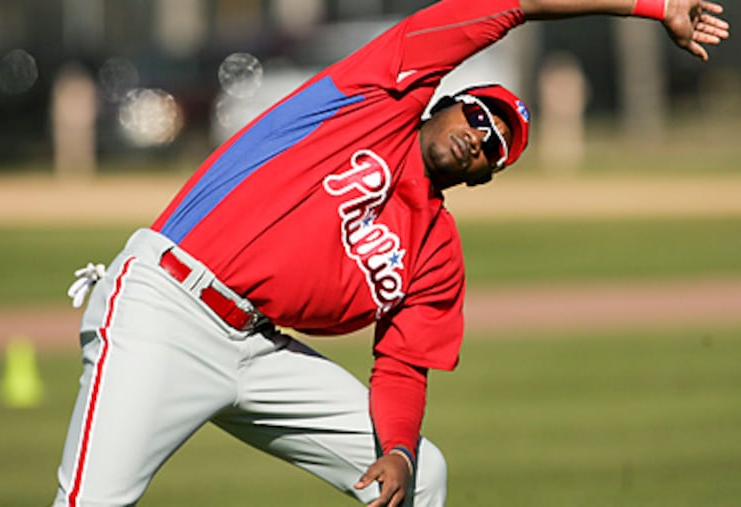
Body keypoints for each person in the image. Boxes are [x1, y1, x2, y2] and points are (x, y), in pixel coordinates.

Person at [53, 0, 729, 505]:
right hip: (168, 306)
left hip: (256, 350)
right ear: (446, 103)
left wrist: (399, 449)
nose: (479, 139)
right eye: (478, 119)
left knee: (424, 471)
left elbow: (403, 363)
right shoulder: (371, 98)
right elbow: (513, 4)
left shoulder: (436, 251)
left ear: (484, 176)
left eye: (494, 149)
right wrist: (652, 6)